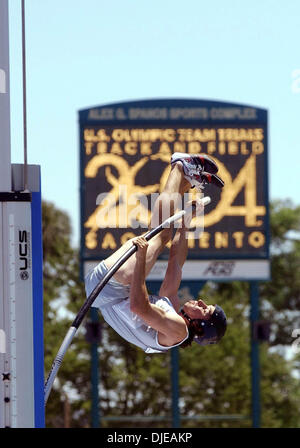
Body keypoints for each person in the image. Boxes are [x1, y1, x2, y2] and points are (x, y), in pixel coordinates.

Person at [85, 152, 227, 353]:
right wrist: (186, 223)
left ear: (201, 325)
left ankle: (180, 166)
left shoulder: (178, 331)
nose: (202, 302)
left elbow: (138, 307)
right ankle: (185, 180)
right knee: (163, 233)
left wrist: (141, 260)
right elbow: (176, 262)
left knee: (160, 233)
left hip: (109, 289)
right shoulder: (175, 321)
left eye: (206, 310)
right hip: (104, 291)